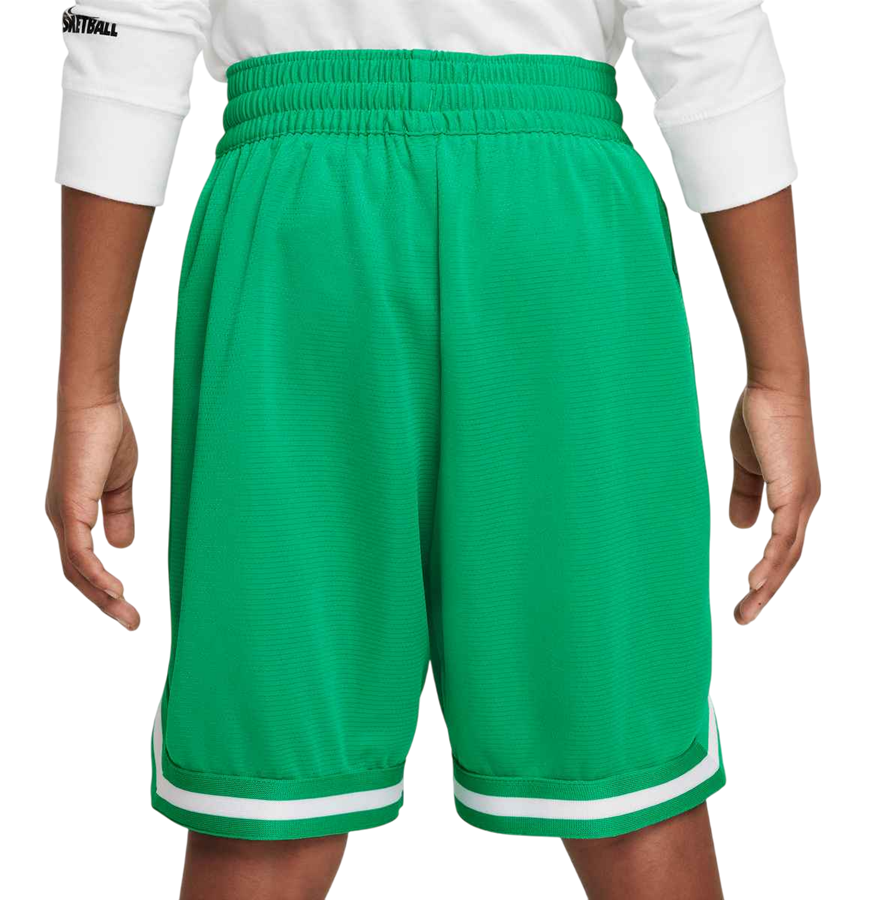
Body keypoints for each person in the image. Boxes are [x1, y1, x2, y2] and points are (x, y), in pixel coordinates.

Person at [47, 2, 820, 897]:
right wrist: (779, 375)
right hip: (554, 235)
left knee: (269, 791)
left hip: (300, 235)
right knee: (626, 780)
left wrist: (87, 388)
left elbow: (126, 30)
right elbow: (707, 29)